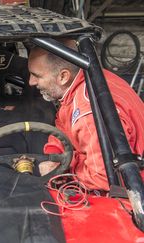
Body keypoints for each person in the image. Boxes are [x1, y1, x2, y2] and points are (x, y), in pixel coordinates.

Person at [28, 39, 144, 191]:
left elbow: (103, 178)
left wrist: (62, 172)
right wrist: (54, 155)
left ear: (63, 77)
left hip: (125, 194)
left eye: (37, 75)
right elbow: (63, 127)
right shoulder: (90, 79)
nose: (31, 82)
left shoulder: (87, 114)